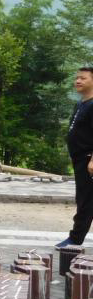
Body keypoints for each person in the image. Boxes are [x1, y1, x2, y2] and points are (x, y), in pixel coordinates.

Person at [57, 67, 93, 248]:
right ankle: (75, 238)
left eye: (83, 78)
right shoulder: (81, 103)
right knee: (85, 199)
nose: (78, 81)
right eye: (77, 78)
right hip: (80, 159)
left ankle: (75, 239)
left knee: (85, 201)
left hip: (88, 160)